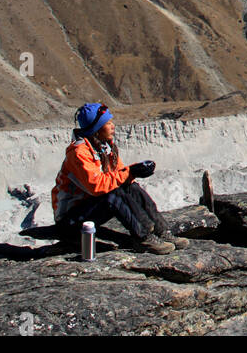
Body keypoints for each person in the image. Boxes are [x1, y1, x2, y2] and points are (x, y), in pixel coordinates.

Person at [51, 102, 188, 255]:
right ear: (96, 129)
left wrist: (135, 171)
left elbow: (120, 175)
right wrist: (130, 172)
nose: (112, 126)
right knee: (112, 195)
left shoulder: (103, 147)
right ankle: (143, 237)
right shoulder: (79, 153)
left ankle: (161, 230)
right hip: (70, 221)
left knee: (131, 187)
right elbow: (97, 186)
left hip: (87, 209)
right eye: (107, 123)